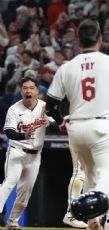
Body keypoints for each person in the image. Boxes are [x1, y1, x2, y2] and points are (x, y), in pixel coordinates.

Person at [45, 18, 109, 230]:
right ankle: (82, 206)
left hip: (76, 129)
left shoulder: (66, 67)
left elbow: (51, 105)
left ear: (78, 40)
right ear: (99, 39)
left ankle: (93, 220)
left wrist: (60, 121)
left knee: (89, 176)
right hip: (102, 126)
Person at [0, 77, 50, 230]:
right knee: (9, 183)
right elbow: (9, 131)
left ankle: (13, 221)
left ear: (36, 90)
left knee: (25, 193)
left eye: (31, 88)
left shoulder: (44, 107)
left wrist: (51, 122)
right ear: (21, 90)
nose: (28, 90)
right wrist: (24, 135)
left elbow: (56, 119)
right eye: (25, 88)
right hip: (17, 151)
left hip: (35, 155)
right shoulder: (14, 109)